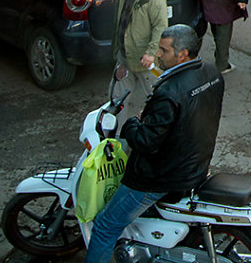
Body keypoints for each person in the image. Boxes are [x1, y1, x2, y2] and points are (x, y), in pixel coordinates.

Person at [84, 25, 224, 263]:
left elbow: (145, 142)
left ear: (182, 55)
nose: (158, 54)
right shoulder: (212, 73)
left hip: (158, 178)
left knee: (105, 227)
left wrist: (131, 124)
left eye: (163, 50)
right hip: (196, 164)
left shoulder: (169, 91)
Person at [110, 0, 168, 125]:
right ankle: (115, 137)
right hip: (125, 57)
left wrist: (151, 53)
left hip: (146, 61)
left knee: (158, 99)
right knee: (116, 99)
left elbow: (161, 27)